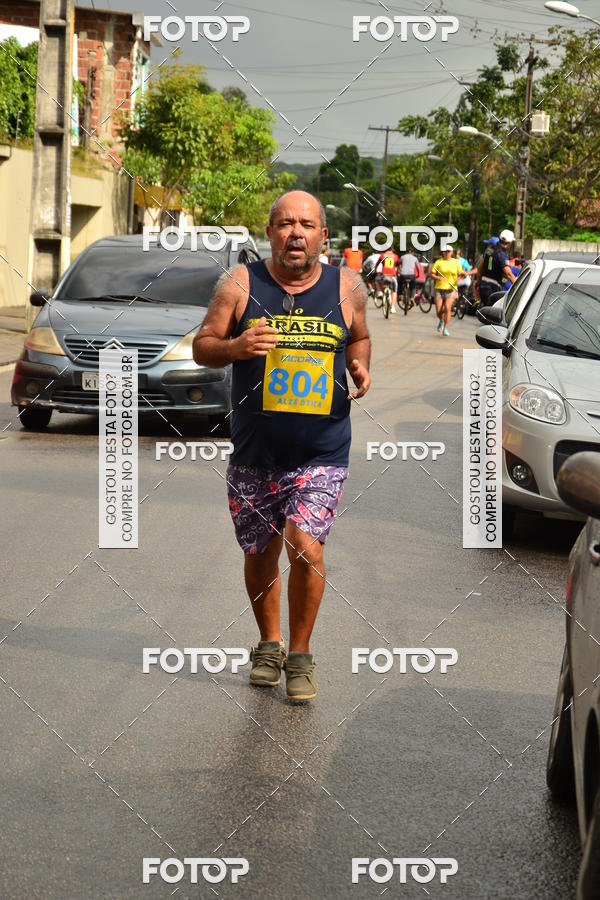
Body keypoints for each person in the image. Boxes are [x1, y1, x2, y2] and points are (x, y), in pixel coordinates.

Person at [192, 190, 371, 702]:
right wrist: (235, 347)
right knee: (259, 550)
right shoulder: (241, 283)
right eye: (286, 223)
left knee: (305, 545)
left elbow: (358, 337)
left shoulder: (348, 287)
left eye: (307, 224)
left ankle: (300, 655)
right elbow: (202, 345)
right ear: (270, 232)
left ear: (322, 236)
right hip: (254, 453)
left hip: (322, 450)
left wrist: (360, 364)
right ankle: (268, 645)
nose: (297, 233)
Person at [476, 229, 517, 306]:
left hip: (483, 285)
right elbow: (508, 273)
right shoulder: (501, 254)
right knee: (493, 313)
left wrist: (479, 284)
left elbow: (479, 268)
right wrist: (518, 285)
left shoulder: (489, 251)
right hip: (493, 288)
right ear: (509, 243)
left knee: (486, 312)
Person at [430, 245, 465, 336]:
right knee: (438, 310)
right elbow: (432, 273)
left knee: (447, 307)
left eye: (448, 251)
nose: (446, 253)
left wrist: (461, 277)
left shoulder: (456, 262)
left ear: (452, 252)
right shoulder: (438, 262)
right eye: (445, 251)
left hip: (451, 289)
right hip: (439, 288)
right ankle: (441, 320)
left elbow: (461, 273)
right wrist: (438, 277)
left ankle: (445, 327)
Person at [375, 246, 401, 313]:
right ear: (392, 249)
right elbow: (399, 265)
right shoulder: (396, 256)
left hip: (384, 276)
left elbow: (377, 263)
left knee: (377, 280)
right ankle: (392, 307)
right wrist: (398, 272)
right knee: (394, 291)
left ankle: (380, 292)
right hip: (393, 276)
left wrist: (375, 270)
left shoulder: (382, 255)